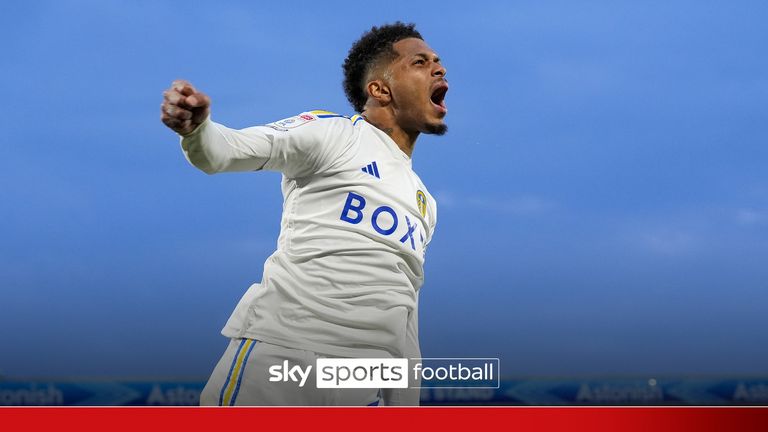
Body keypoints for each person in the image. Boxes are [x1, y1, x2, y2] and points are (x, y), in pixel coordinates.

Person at [160, 22, 448, 406]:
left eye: (438, 62)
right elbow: (228, 150)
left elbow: (403, 312)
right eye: (420, 62)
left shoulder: (424, 203)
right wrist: (197, 130)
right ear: (379, 89)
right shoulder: (335, 135)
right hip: (283, 356)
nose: (438, 68)